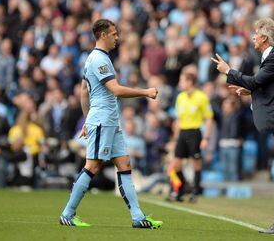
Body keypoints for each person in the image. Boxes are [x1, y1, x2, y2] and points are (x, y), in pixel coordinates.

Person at [211, 18, 274, 234]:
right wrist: (252, 92)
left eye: (255, 34)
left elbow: (256, 81)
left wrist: (228, 71)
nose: (253, 38)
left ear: (264, 38)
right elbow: (273, 87)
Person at [59, 19, 162, 229]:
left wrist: (87, 120)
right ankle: (68, 213)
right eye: (114, 34)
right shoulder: (99, 60)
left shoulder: (93, 59)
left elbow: (83, 91)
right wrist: (145, 92)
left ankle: (137, 217)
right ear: (103, 35)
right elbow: (115, 90)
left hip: (109, 122)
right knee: (93, 166)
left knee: (124, 164)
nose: (117, 37)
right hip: (103, 120)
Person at [169, 70, 213, 203]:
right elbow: (178, 120)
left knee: (196, 164)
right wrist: (174, 138)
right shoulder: (180, 97)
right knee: (176, 163)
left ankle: (195, 192)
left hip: (195, 132)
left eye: (182, 80)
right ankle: (181, 189)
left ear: (189, 82)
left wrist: (206, 138)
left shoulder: (202, 97)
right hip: (183, 132)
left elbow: (209, 119)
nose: (179, 83)